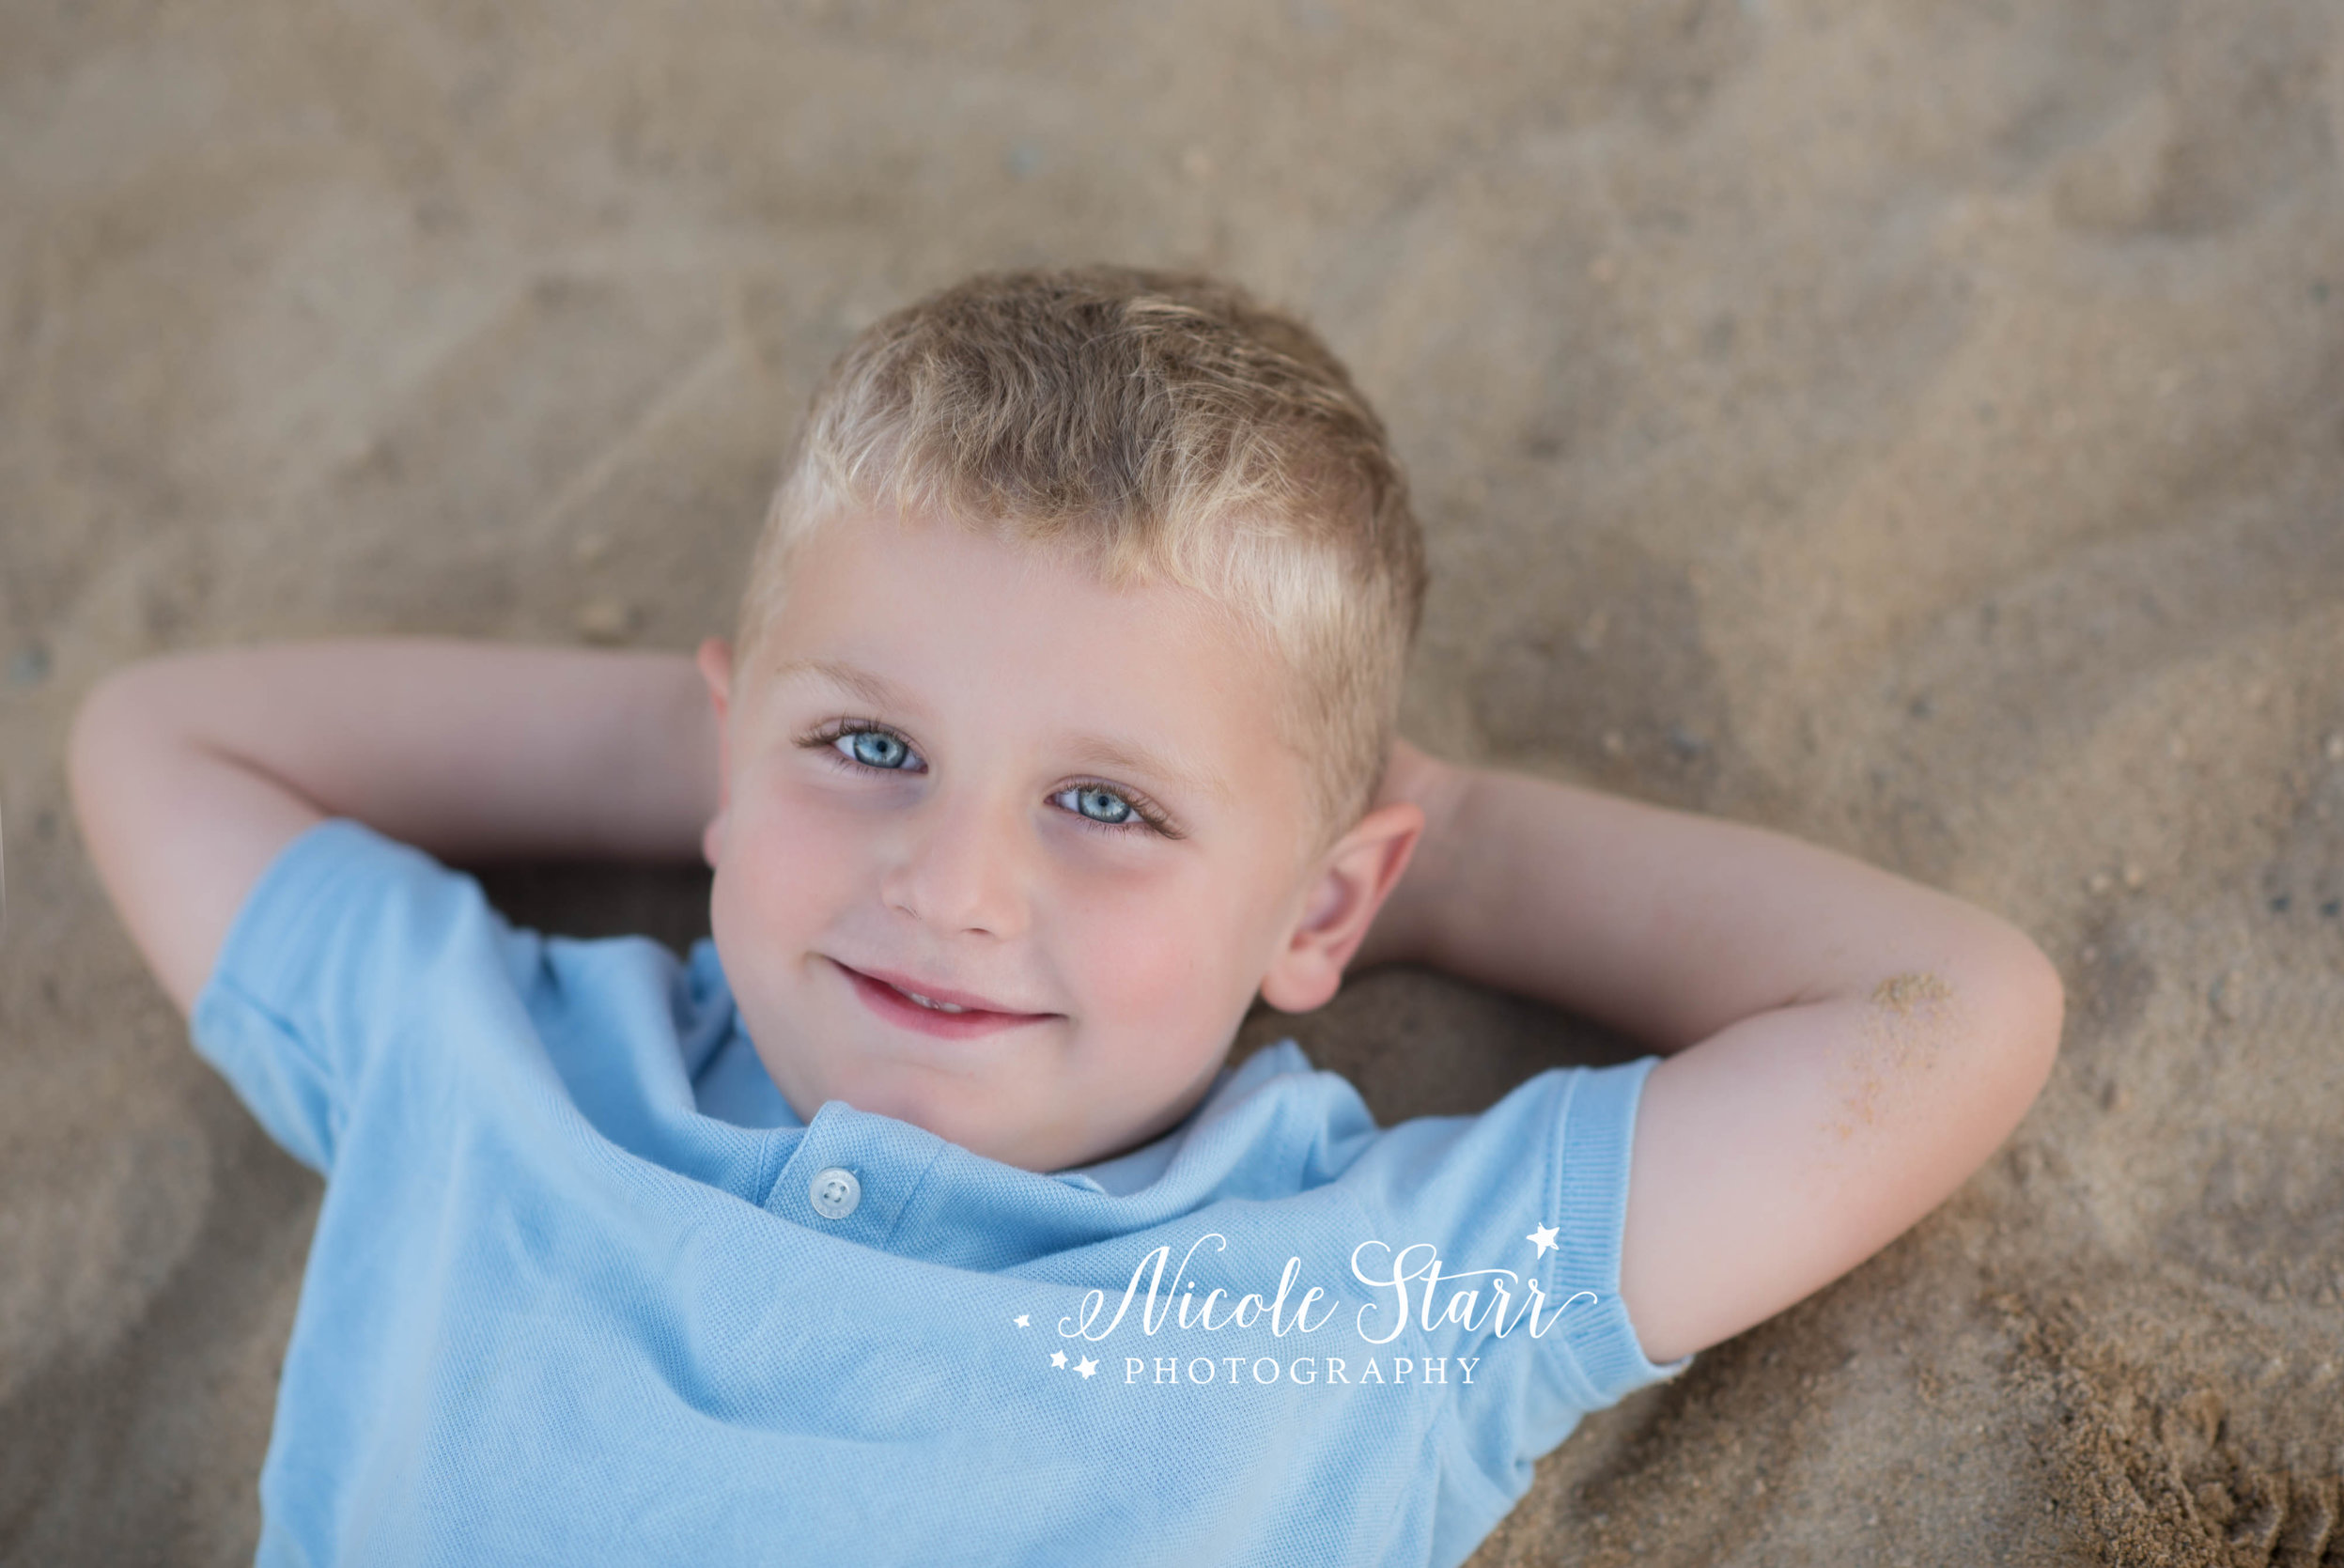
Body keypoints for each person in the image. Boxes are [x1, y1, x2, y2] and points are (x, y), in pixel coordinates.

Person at [67, 266, 2063, 1566]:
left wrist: (1409, 858)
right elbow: (160, 740)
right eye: (873, 752)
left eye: (1104, 803)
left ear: (1323, 901)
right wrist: (731, 762)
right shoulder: (486, 1074)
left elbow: (1941, 1006)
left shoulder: (1357, 1291)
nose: (951, 886)